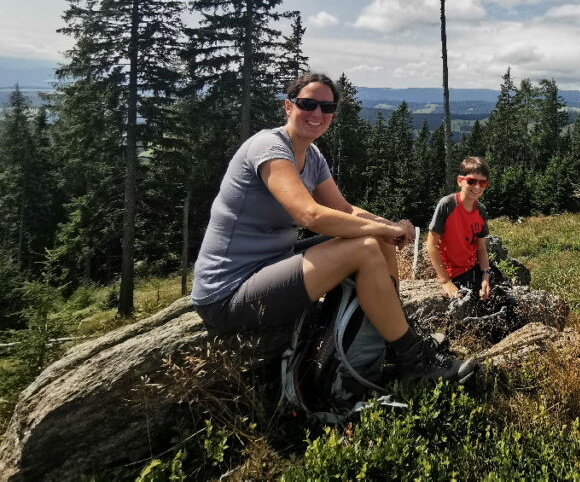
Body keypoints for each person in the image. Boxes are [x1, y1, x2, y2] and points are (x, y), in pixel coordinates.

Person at [190, 72, 474, 382]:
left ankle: (395, 336)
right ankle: (415, 363)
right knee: (365, 246)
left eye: (327, 108)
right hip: (229, 292)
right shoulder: (268, 147)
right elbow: (310, 215)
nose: (317, 114)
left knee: (377, 241)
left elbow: (345, 210)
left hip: (270, 264)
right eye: (307, 104)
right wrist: (380, 230)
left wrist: (387, 226)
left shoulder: (311, 155)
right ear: (288, 106)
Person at [426, 156, 502, 300]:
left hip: (474, 268)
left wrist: (486, 275)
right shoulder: (447, 205)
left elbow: (481, 248)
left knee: (505, 296)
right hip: (453, 273)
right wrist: (445, 281)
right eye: (472, 181)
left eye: (483, 182)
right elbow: (431, 244)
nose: (477, 187)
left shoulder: (481, 210)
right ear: (460, 180)